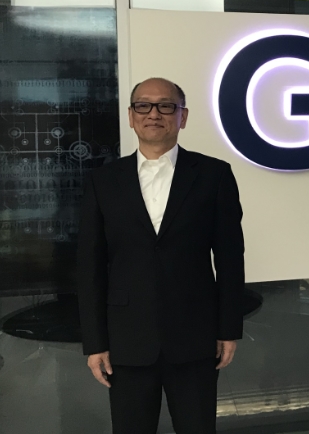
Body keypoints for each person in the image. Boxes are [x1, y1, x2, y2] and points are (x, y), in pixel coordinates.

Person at [77, 77, 245, 434]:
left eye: (166, 105)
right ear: (131, 116)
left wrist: (229, 328)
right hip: (126, 341)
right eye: (143, 105)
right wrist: (94, 342)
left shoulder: (214, 175)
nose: (154, 114)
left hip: (196, 337)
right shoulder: (102, 181)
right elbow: (90, 266)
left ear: (183, 116)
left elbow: (231, 258)